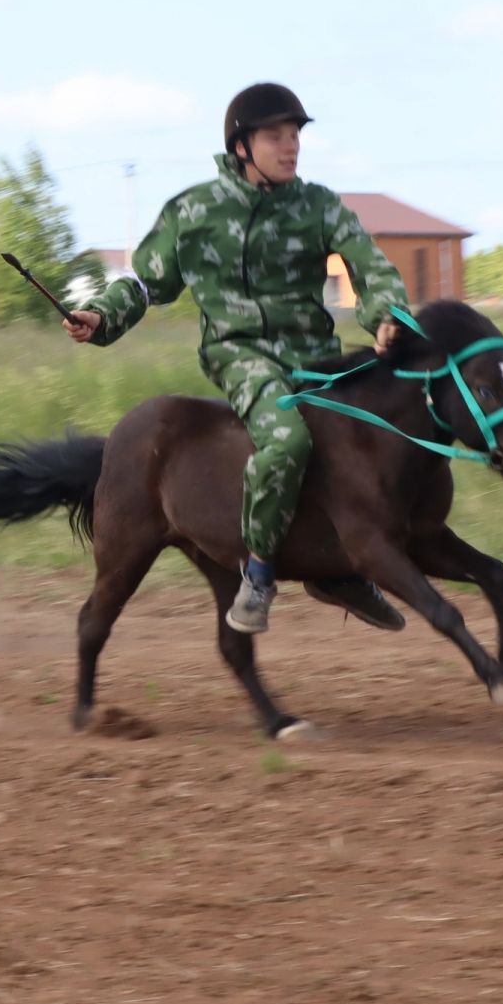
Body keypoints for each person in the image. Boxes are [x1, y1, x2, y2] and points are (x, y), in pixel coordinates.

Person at [65, 82, 411, 635]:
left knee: (387, 428)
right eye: (276, 136)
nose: (291, 146)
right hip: (241, 355)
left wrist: (387, 315)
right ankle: (258, 572)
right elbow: (147, 284)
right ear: (241, 146)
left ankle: (342, 568)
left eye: (296, 135)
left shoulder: (319, 204)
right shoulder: (193, 211)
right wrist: (102, 318)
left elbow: (372, 270)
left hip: (316, 356)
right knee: (289, 439)